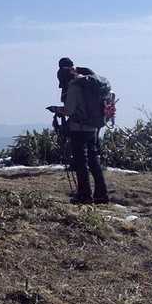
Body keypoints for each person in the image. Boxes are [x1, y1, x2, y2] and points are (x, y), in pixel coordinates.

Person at [53, 64, 110, 205]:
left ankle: (84, 195)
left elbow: (69, 110)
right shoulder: (90, 84)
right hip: (93, 127)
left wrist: (57, 110)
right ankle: (101, 195)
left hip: (79, 128)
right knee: (94, 161)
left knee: (81, 163)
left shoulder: (74, 86)